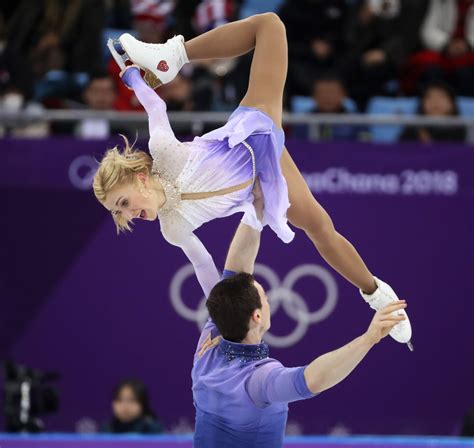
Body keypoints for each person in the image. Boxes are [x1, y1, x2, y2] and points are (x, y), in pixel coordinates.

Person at [93, 13, 412, 345]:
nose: (127, 214)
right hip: (265, 181)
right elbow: (204, 268)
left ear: (141, 177)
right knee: (318, 227)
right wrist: (216, 323)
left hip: (253, 131)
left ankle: (172, 55)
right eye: (118, 211)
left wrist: (136, 80)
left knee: (270, 26)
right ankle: (378, 295)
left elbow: (155, 109)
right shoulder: (172, 229)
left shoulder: (164, 153)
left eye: (124, 202)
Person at [191, 182, 409, 447]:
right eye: (266, 298)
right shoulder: (257, 380)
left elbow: (235, 272)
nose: (269, 300)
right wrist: (369, 337)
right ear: (257, 317)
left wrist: (257, 209)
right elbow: (312, 379)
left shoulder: (211, 342)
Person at [399, 81, 466, 143]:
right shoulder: (413, 128)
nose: (435, 101)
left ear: (451, 104)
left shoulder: (459, 128)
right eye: (429, 97)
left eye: (441, 97)